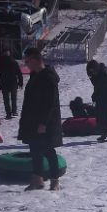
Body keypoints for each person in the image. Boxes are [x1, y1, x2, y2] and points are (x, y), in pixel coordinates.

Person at [18, 46, 62, 191]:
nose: (26, 64)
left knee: (48, 151)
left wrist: (44, 122)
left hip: (46, 122)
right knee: (35, 150)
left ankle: (55, 180)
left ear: (36, 60)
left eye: (28, 60)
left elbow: (51, 103)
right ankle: (37, 179)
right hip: (33, 121)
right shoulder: (34, 75)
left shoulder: (48, 77)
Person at [86, 60, 107, 142]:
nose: (92, 73)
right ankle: (103, 134)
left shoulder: (105, 74)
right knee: (99, 117)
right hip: (100, 99)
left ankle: (105, 134)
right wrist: (95, 96)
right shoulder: (94, 76)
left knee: (105, 117)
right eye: (90, 72)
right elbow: (97, 87)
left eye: (92, 71)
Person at [0, 48, 23, 119]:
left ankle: (8, 114)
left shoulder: (0, 62)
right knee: (13, 98)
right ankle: (14, 111)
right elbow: (19, 73)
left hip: (4, 82)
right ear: (9, 53)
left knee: (6, 99)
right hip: (13, 82)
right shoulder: (13, 61)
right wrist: (20, 82)